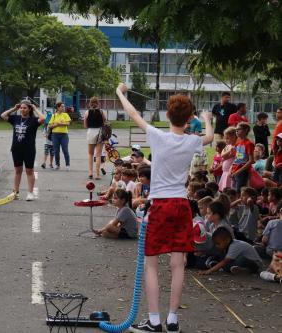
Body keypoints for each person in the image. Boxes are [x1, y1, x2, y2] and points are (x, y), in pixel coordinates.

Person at [116, 82, 213, 333]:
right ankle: (172, 320)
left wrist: (119, 92)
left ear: (168, 115)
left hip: (160, 205)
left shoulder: (157, 136)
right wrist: (207, 119)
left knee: (151, 264)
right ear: (189, 117)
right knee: (178, 264)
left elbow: (133, 113)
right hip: (182, 205)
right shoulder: (192, 141)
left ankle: (154, 321)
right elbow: (210, 137)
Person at [1, 100, 45, 201]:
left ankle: (30, 193)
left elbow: (43, 118)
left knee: (29, 170)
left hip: (28, 149)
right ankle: (15, 192)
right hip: (16, 148)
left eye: (24, 108)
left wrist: (35, 108)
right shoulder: (15, 118)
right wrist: (14, 108)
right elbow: (3, 115)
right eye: (21, 108)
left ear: (29, 109)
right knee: (17, 170)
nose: (22, 109)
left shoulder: (33, 120)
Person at [84, 97, 106, 180]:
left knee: (90, 154)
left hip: (90, 132)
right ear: (98, 103)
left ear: (90, 103)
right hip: (100, 132)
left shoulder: (87, 112)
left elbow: (85, 125)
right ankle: (97, 174)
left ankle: (90, 173)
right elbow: (104, 122)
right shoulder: (101, 111)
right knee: (98, 155)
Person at [230, 122, 254, 192]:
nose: (236, 132)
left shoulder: (249, 144)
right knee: (234, 191)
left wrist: (238, 171)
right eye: (236, 130)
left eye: (238, 130)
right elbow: (238, 157)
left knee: (240, 192)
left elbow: (251, 160)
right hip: (235, 170)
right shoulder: (238, 142)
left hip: (243, 171)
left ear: (245, 130)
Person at [49, 102, 71, 170]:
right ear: (58, 107)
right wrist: (57, 124)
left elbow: (68, 123)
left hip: (64, 134)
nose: (63, 108)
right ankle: (57, 164)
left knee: (65, 150)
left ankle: (67, 165)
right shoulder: (54, 115)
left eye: (63, 106)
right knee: (56, 150)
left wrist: (61, 123)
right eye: (62, 106)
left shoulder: (65, 114)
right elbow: (50, 126)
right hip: (55, 135)